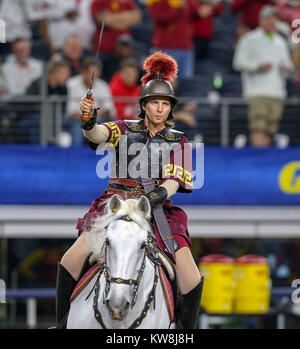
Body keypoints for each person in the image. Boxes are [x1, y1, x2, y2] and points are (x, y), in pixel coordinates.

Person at [56, 52, 203, 329]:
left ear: (170, 108)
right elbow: (97, 134)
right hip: (114, 204)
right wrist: (88, 119)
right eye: (154, 103)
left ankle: (183, 331)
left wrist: (153, 197)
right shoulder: (124, 128)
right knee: (70, 260)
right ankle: (62, 323)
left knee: (191, 276)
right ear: (144, 105)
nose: (160, 109)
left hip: (157, 210)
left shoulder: (180, 141)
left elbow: (173, 182)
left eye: (165, 104)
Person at [233, 5, 293, 147]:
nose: (271, 22)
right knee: (258, 128)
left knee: (270, 131)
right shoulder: (249, 39)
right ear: (260, 20)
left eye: (274, 18)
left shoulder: (281, 41)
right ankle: (258, 162)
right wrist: (258, 66)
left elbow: (288, 65)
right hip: (257, 92)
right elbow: (238, 63)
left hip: (277, 93)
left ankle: (263, 162)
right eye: (268, 18)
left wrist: (287, 69)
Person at [146, 0, 202, 80]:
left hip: (186, 47)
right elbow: (159, 18)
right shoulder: (157, 1)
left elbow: (197, 12)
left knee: (185, 81)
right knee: (164, 80)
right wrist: (177, 8)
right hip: (166, 47)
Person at [66, 57, 116, 145]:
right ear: (83, 72)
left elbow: (110, 110)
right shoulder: (71, 84)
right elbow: (71, 112)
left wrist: (94, 114)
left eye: (97, 74)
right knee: (78, 126)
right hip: (78, 120)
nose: (94, 78)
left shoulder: (104, 86)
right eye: (91, 74)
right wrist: (89, 115)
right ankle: (76, 154)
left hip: (98, 119)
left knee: (106, 125)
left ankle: (102, 154)